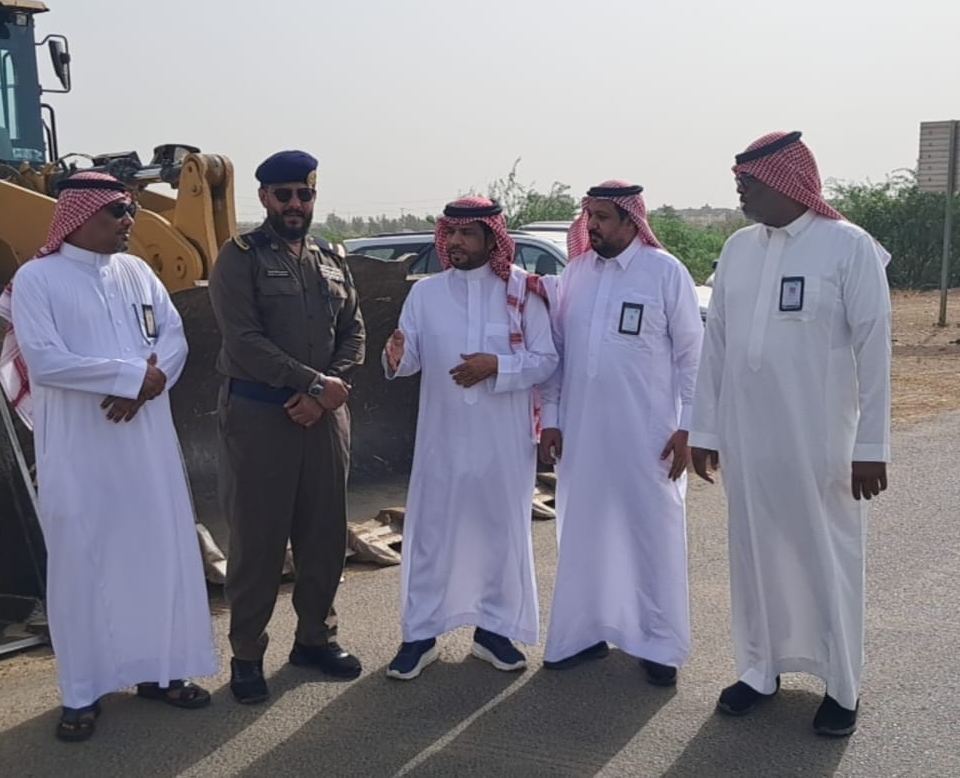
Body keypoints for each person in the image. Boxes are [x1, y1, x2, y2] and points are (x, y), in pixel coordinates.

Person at [0, 171, 217, 743]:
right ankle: (82, 692)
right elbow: (45, 361)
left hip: (147, 443)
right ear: (79, 216)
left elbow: (174, 337)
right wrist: (129, 377)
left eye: (130, 211)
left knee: (156, 552)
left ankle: (163, 673)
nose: (128, 221)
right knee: (83, 563)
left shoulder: (138, 271)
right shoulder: (37, 279)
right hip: (81, 450)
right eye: (117, 211)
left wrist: (148, 383)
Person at [689, 131, 892, 736]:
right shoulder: (738, 249)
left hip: (821, 441)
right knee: (754, 554)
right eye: (739, 182)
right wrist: (705, 429)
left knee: (827, 556)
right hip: (748, 438)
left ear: (786, 182)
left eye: (749, 182)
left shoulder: (848, 246)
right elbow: (716, 345)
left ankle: (842, 686)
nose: (741, 191)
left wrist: (871, 446)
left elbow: (875, 351)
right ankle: (758, 670)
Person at [207, 150, 366, 703]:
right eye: (284, 195)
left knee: (325, 534)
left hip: (324, 419)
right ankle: (247, 655)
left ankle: (315, 639)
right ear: (264, 199)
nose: (295, 204)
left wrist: (326, 392)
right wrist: (314, 384)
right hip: (259, 418)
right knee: (259, 541)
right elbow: (243, 339)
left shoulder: (330, 257)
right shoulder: (240, 258)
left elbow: (354, 331)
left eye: (304, 194)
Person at [380, 196, 558, 680]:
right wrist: (395, 357)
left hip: (503, 442)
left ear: (492, 239)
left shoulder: (523, 291)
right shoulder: (426, 295)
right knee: (431, 534)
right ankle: (420, 634)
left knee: (499, 532)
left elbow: (546, 360)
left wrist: (496, 365)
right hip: (442, 439)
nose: (455, 242)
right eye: (450, 234)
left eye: (467, 234)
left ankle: (493, 632)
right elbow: (408, 358)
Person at [536, 182, 703, 687]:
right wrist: (552, 417)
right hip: (583, 434)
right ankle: (582, 635)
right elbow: (557, 353)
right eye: (589, 216)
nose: (593, 226)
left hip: (647, 436)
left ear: (632, 221)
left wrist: (690, 426)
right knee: (583, 532)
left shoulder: (665, 272)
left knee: (650, 537)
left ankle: (657, 644)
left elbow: (692, 356)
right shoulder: (576, 273)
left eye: (604, 217)